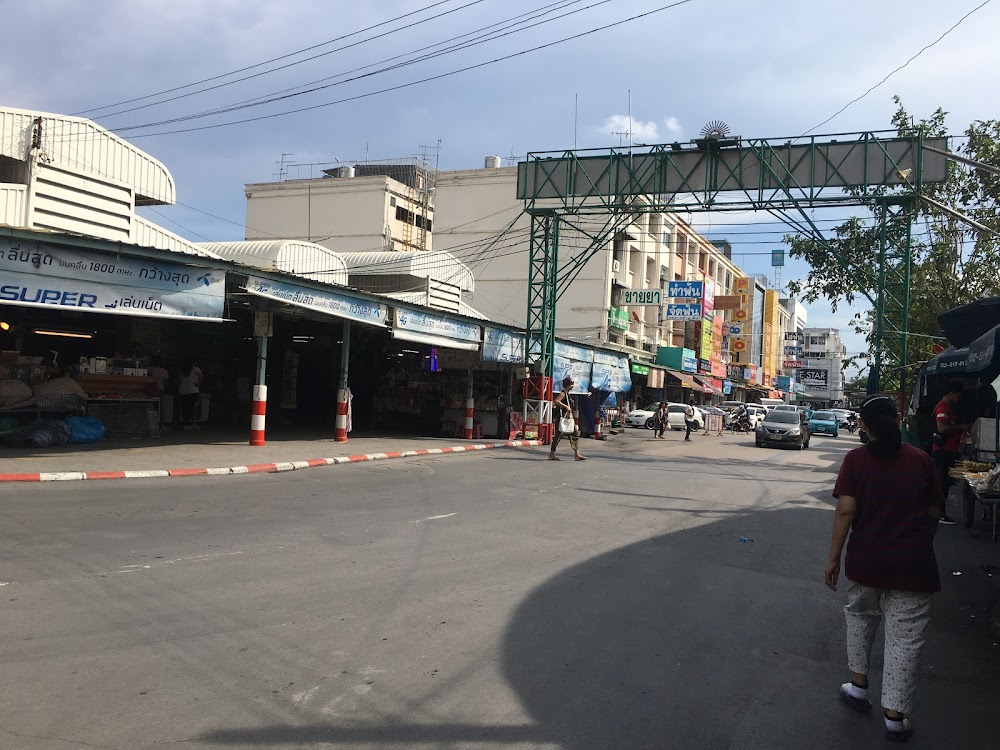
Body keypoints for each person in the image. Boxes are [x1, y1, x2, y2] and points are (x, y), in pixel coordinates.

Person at [825, 395, 942, 744]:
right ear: (899, 418)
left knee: (860, 619)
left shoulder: (856, 460)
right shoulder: (921, 460)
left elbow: (846, 511)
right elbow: (934, 511)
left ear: (863, 425)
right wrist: (922, 542)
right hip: (913, 566)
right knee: (905, 639)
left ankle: (858, 688)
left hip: (865, 562)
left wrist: (833, 558)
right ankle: (895, 718)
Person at [932, 382, 970, 525]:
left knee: (945, 483)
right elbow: (941, 428)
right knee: (942, 483)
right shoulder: (943, 407)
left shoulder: (949, 408)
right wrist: (960, 427)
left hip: (949, 451)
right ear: (952, 393)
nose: (959, 399)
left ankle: (939, 512)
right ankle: (939, 513)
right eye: (958, 396)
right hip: (944, 451)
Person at [549, 376, 586, 461]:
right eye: (571, 384)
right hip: (562, 419)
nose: (572, 386)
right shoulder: (563, 393)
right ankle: (552, 453)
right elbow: (556, 401)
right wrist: (566, 406)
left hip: (568, 419)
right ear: (567, 385)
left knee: (575, 434)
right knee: (558, 436)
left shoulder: (568, 394)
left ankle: (577, 454)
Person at [177, 359, 203, 429]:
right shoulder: (196, 369)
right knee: (192, 407)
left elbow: (179, 380)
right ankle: (193, 423)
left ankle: (186, 424)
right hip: (193, 390)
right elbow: (201, 376)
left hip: (183, 390)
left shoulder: (182, 370)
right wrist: (198, 383)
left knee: (185, 408)